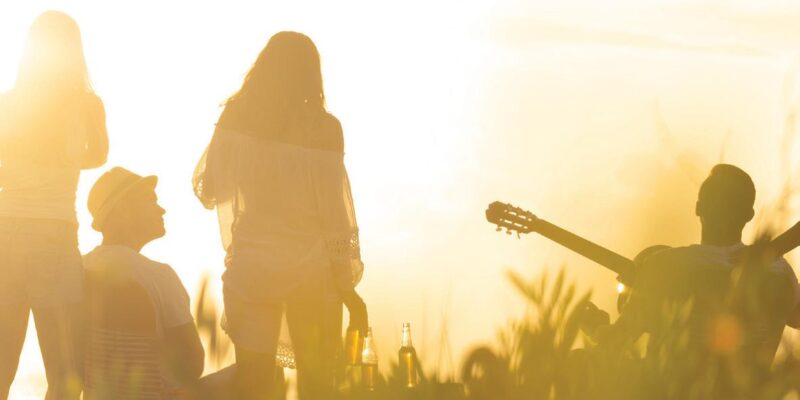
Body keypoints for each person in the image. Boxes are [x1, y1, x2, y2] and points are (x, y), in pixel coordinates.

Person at [193, 31, 365, 399]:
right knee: (318, 386)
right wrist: (348, 288)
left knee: (252, 386)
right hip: (311, 273)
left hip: (252, 269)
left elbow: (209, 190)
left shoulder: (236, 118)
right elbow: (336, 216)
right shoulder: (324, 128)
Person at [582, 164, 800, 395]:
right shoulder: (780, 273)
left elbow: (615, 343)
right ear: (749, 215)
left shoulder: (664, 266)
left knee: (583, 363)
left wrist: (595, 326)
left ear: (698, 207)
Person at [0, 11, 108, 399]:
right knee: (63, 370)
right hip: (54, 233)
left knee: (1, 363)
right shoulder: (87, 105)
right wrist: (65, 158)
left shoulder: (9, 103)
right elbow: (98, 155)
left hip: (6, 232)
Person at [83, 167, 205, 397]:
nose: (162, 209)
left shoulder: (80, 268)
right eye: (151, 201)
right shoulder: (158, 276)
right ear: (123, 210)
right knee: (265, 372)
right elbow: (192, 366)